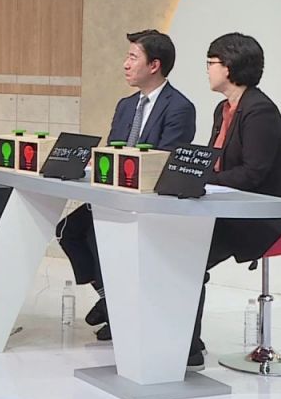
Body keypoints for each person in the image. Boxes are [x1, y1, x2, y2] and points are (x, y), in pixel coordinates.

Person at [57, 29, 196, 341]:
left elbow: (164, 161)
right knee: (68, 230)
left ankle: (119, 310)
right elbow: (113, 150)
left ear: (154, 65)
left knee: (97, 234)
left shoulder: (179, 107)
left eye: (133, 57)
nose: (125, 64)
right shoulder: (125, 105)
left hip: (147, 202)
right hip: (114, 195)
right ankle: (109, 298)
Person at [188, 32, 281, 369]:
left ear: (230, 66)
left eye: (211, 63)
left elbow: (253, 174)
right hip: (230, 206)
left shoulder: (259, 110)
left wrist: (203, 180)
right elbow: (215, 164)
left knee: (188, 257)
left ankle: (188, 348)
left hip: (263, 213)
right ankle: (182, 341)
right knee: (177, 246)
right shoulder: (223, 109)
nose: (207, 69)